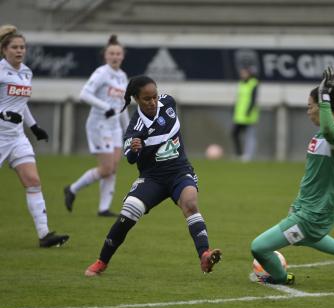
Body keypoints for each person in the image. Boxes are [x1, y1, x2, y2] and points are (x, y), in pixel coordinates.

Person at [84, 75, 222, 276]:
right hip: (153, 179)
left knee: (190, 204)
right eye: (146, 99)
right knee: (129, 213)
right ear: (136, 100)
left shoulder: (168, 102)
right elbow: (130, 158)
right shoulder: (135, 128)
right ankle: (101, 261)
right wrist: (134, 148)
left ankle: (204, 255)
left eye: (154, 96)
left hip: (180, 172)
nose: (152, 102)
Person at [250, 66, 334, 285]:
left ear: (323, 107)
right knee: (307, 237)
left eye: (310, 106)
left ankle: (283, 277)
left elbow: (333, 133)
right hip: (309, 205)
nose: (308, 111)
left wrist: (323, 97)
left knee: (259, 247)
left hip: (314, 212)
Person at [0, 25, 69, 247]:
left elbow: (21, 104)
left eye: (22, 47)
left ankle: (44, 235)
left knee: (33, 181)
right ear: (4, 50)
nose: (19, 51)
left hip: (17, 137)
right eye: (14, 47)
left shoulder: (26, 72)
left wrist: (35, 127)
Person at [63, 35, 129, 217]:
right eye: (111, 53)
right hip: (99, 125)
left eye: (118, 53)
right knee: (106, 168)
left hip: (115, 127)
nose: (115, 56)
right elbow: (84, 94)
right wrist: (104, 106)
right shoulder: (101, 73)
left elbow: (123, 105)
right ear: (105, 56)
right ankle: (72, 189)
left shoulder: (122, 76)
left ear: (123, 56)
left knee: (113, 167)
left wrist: (129, 129)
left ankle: (104, 208)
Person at [231, 67, 260, 162]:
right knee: (234, 133)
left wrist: (249, 110)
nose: (242, 75)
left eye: (244, 73)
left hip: (249, 115)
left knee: (250, 135)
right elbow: (238, 99)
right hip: (239, 115)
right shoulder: (240, 83)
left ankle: (248, 155)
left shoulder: (253, 83)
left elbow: (253, 99)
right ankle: (239, 154)